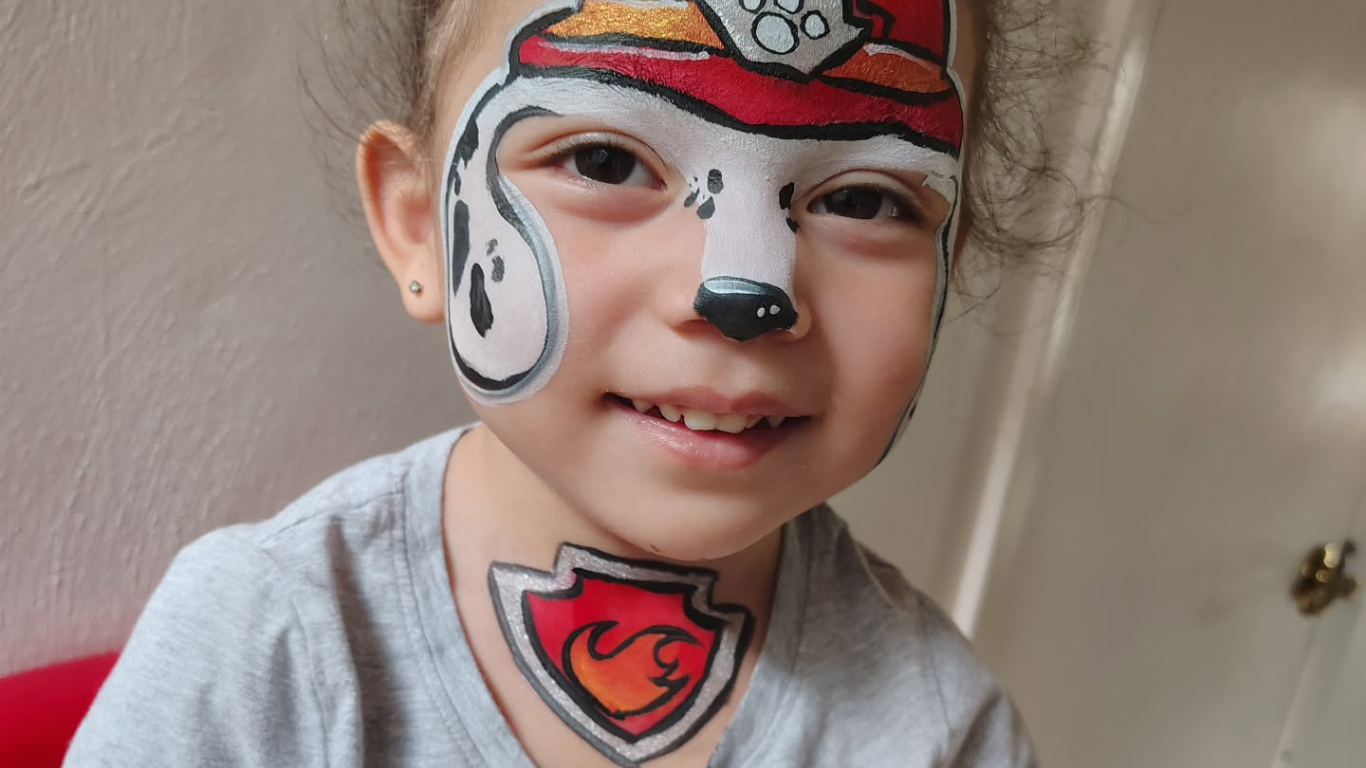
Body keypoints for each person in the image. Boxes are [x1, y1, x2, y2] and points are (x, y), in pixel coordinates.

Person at [68, 0, 1065, 765]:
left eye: (863, 197)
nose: (748, 289)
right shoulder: (264, 642)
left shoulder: (941, 727)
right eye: (605, 160)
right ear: (420, 222)